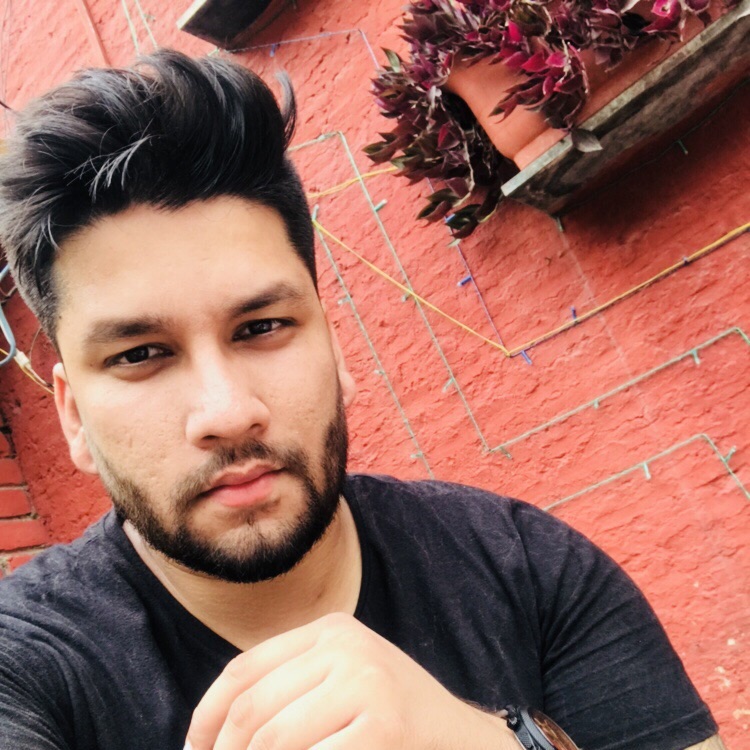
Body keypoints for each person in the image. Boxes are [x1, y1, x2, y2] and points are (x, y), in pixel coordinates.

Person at [0, 49, 725, 750]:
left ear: (337, 353)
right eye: (138, 355)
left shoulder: (529, 569)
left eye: (262, 327)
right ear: (73, 416)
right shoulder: (24, 666)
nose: (227, 412)